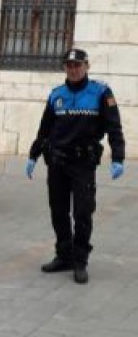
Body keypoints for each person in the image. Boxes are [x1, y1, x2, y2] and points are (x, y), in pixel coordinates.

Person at [26, 48, 125, 284]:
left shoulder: (101, 92)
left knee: (82, 213)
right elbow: (45, 128)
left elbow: (114, 128)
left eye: (77, 65)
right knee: (59, 213)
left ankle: (80, 261)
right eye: (69, 66)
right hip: (57, 162)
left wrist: (118, 157)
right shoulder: (56, 94)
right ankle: (64, 256)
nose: (73, 69)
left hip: (83, 164)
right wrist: (33, 155)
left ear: (86, 66)